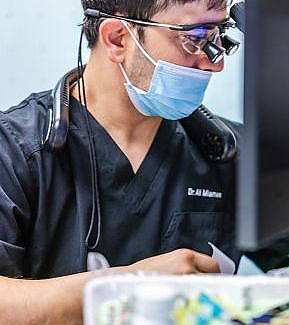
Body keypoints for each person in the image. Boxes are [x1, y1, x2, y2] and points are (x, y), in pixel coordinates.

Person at [0, 0, 241, 324]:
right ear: (117, 38)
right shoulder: (17, 151)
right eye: (195, 37)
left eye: (219, 34)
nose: (215, 64)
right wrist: (131, 288)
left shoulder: (229, 153)